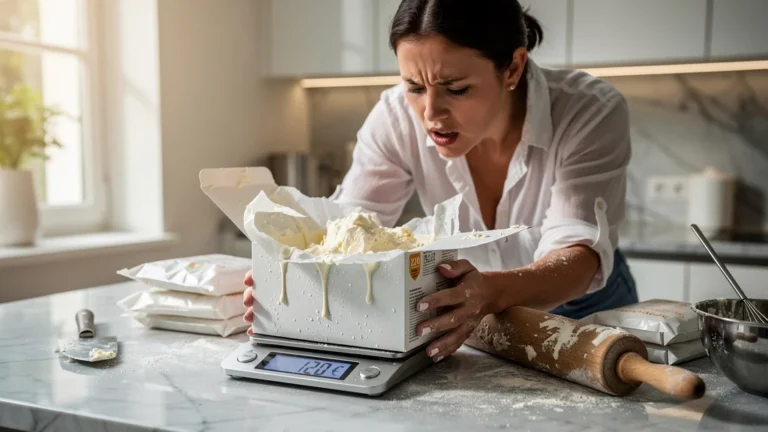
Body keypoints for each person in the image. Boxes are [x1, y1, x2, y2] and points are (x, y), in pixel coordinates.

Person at [243, 0, 637, 362]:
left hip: (584, 309)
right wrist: (294, 280)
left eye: (457, 89)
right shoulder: (396, 118)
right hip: (473, 314)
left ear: (513, 67)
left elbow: (579, 255)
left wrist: (488, 293)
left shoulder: (588, 111)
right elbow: (349, 232)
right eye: (414, 87)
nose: (431, 114)